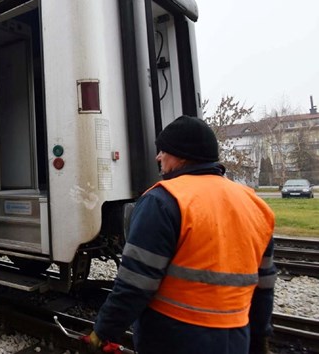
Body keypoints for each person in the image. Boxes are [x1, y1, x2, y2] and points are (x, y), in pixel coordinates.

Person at [83, 115, 276, 354]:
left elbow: (135, 283)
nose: (158, 157)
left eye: (163, 151)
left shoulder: (163, 201)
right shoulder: (255, 204)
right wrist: (259, 337)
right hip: (236, 336)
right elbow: (265, 285)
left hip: (174, 337)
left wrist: (102, 333)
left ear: (179, 155)